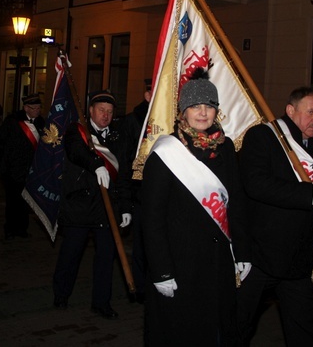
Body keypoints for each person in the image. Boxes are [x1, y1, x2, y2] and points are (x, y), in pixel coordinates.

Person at [141, 70, 252, 346]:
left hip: (218, 264)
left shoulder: (225, 149)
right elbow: (152, 218)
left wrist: (242, 251)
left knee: (218, 332)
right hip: (181, 266)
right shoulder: (167, 152)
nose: (203, 113)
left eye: (209, 106)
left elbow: (235, 201)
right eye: (195, 106)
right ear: (183, 112)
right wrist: (161, 271)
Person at [236, 86, 313, 346]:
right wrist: (306, 194)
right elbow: (256, 184)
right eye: (310, 111)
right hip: (261, 255)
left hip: (299, 259)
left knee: (303, 332)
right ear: (290, 110)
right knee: (239, 325)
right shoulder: (263, 137)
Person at [52, 89, 133, 320]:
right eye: (101, 110)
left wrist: (126, 207)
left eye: (109, 111)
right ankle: (61, 294)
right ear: (90, 111)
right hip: (79, 205)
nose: (105, 115)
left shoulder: (119, 137)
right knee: (71, 254)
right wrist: (95, 163)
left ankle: (101, 302)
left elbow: (124, 174)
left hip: (107, 209)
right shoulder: (76, 131)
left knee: (106, 257)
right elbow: (76, 152)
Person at [0, 93, 46, 240]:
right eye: (34, 108)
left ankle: (22, 229)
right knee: (13, 201)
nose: (37, 111)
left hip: (30, 170)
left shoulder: (41, 123)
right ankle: (10, 228)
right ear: (26, 108)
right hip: (12, 169)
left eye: (39, 108)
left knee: (26, 200)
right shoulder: (13, 121)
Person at [121, 79, 152, 304]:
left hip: (162, 192)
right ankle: (140, 287)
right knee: (141, 244)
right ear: (148, 95)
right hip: (140, 190)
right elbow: (126, 159)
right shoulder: (133, 121)